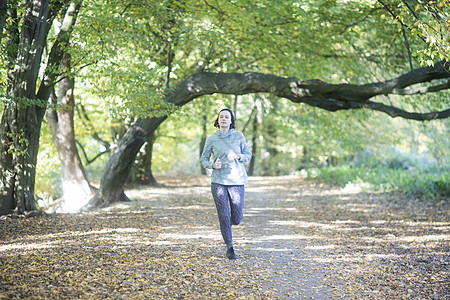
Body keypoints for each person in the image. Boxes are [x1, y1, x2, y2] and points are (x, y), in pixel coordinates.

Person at [200, 108, 252, 259]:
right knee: (223, 215)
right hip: (218, 182)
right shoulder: (212, 139)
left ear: (231, 121)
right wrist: (212, 165)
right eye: (221, 117)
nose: (223, 119)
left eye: (226, 117)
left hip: (236, 181)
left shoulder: (238, 136)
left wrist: (238, 155)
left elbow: (248, 155)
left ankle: (229, 226)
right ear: (218, 120)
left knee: (236, 218)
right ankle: (230, 248)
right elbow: (203, 159)